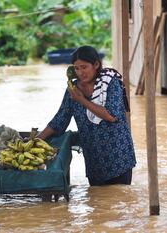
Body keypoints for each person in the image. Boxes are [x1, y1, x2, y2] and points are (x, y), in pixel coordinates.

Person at [37, 45, 136, 186]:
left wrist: (81, 100)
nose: (80, 72)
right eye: (76, 68)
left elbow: (111, 115)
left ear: (96, 65)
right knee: (97, 204)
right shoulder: (72, 90)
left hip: (119, 156)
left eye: (84, 67)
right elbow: (60, 120)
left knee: (120, 200)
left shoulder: (110, 83)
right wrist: (36, 139)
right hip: (94, 160)